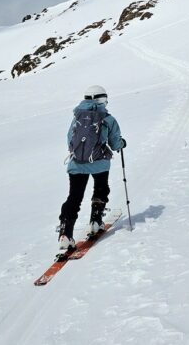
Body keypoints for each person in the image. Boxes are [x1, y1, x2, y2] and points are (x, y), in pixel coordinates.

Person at [57, 85, 124, 252]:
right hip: (99, 163)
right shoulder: (108, 118)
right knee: (101, 188)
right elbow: (115, 143)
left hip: (76, 164)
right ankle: (95, 220)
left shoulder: (77, 116)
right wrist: (122, 143)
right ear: (102, 99)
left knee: (74, 197)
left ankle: (65, 233)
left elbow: (69, 140)